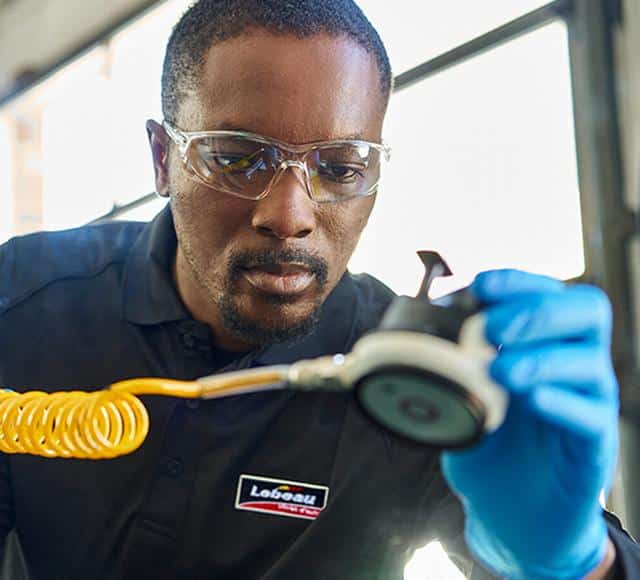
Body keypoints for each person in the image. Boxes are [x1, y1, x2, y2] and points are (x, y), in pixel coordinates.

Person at [0, 0, 636, 578]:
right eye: (237, 157)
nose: (290, 215)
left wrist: (575, 560)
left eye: (341, 168)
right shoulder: (21, 303)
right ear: (164, 160)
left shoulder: (408, 372)